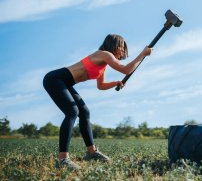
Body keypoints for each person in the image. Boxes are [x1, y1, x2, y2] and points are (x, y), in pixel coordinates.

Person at [43, 34, 152, 169]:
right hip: (54, 79)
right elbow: (126, 69)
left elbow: (100, 86)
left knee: (84, 112)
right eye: (122, 48)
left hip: (65, 83)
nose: (123, 52)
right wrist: (143, 54)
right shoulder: (104, 54)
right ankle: (62, 159)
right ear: (114, 45)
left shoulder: (103, 63)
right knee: (72, 112)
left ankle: (91, 152)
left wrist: (115, 83)